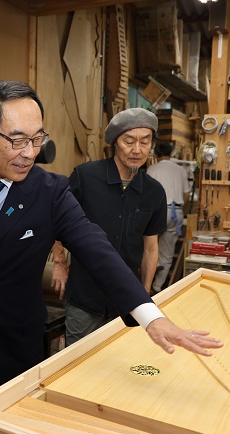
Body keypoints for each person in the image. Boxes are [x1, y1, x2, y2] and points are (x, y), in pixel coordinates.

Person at [0, 82, 222, 419]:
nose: (29, 153)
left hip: (14, 341)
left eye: (37, 139)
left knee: (12, 428)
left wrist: (150, 315)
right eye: (17, 140)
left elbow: (97, 249)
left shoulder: (50, 192)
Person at [52, 108, 168, 346]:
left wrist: (143, 294)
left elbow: (150, 248)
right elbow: (56, 221)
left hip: (125, 302)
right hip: (85, 295)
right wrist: (59, 263)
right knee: (77, 360)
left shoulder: (154, 192)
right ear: (115, 142)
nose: (137, 150)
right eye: (129, 141)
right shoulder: (85, 177)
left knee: (118, 363)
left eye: (145, 142)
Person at [146, 140, 191, 293]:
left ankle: (146, 285)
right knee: (167, 252)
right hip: (176, 212)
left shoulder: (153, 168)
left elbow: (146, 194)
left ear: (156, 154)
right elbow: (186, 194)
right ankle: (157, 286)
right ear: (171, 153)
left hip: (156, 211)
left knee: (148, 247)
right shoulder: (181, 170)